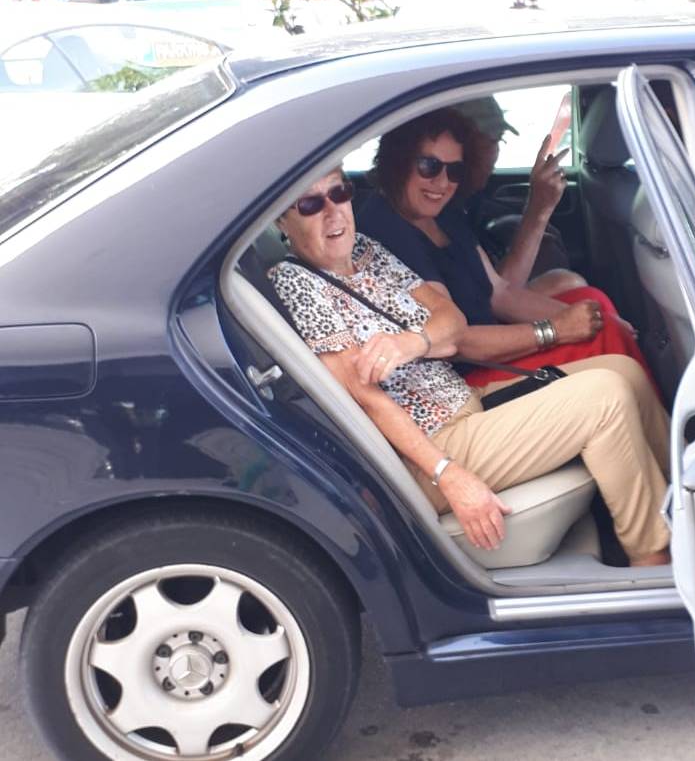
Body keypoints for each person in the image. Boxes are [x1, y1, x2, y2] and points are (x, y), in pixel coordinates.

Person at [268, 168, 671, 566]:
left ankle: (684, 501)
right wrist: (447, 474)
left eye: (339, 193)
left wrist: (415, 341)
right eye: (310, 204)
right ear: (282, 220)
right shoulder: (295, 283)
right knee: (605, 397)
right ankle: (651, 558)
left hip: (464, 404)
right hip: (428, 449)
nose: (333, 212)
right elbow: (365, 399)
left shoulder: (365, 252)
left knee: (624, 372)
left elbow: (451, 318)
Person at [356, 108, 656, 390]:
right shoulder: (387, 228)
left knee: (592, 302)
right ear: (398, 161)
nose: (442, 182)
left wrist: (596, 318)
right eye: (429, 166)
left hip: (491, 345)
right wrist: (556, 329)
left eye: (455, 171)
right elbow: (458, 343)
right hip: (463, 378)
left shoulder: (443, 213)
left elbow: (499, 293)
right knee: (604, 339)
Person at [450, 96, 583, 296]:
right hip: (478, 310)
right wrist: (539, 209)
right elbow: (499, 295)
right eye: (489, 143)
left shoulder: (464, 202)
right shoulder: (442, 211)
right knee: (568, 283)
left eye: (499, 140)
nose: (495, 153)